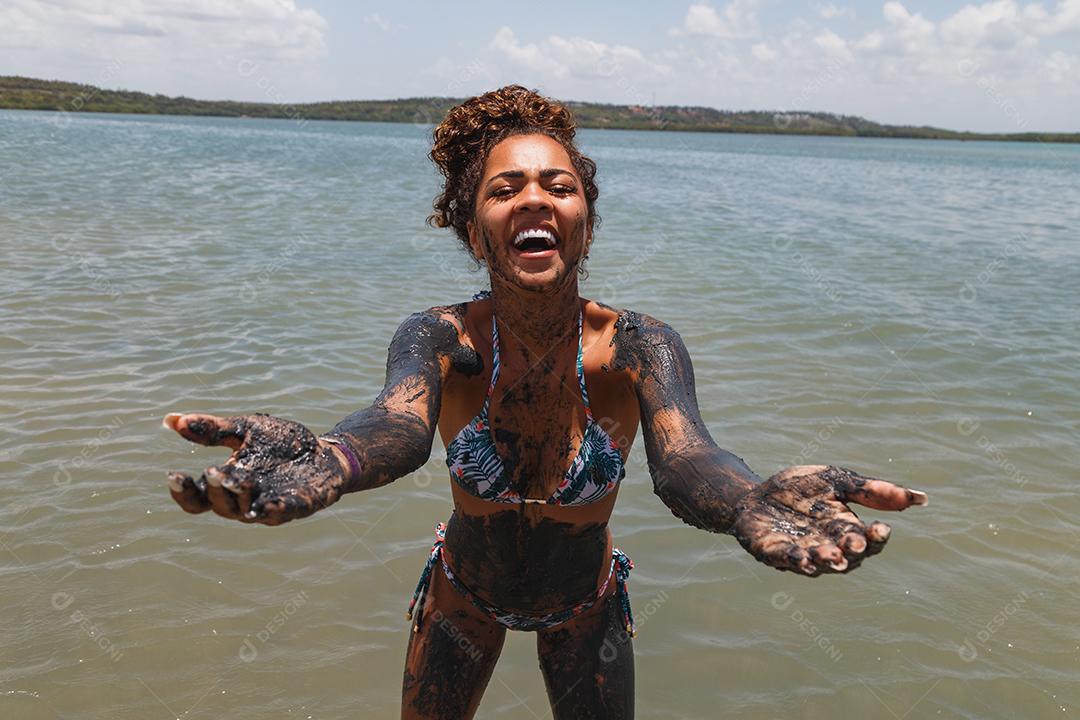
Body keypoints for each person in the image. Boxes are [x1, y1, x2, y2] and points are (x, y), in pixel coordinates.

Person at [163, 84, 929, 720]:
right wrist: (332, 456)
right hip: (462, 599)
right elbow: (397, 423)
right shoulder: (439, 337)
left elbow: (688, 457)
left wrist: (747, 500)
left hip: (585, 609)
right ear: (473, 230)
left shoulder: (638, 346)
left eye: (559, 186)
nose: (536, 198)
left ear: (584, 223)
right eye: (507, 188)